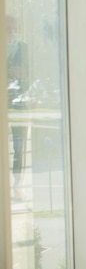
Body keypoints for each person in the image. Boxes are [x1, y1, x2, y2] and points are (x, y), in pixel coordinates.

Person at [6, 15, 29, 200]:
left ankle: (17, 185)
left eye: (15, 29)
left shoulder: (25, 49)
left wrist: (24, 76)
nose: (12, 32)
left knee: (19, 146)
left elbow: (34, 74)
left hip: (20, 104)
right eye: (8, 29)